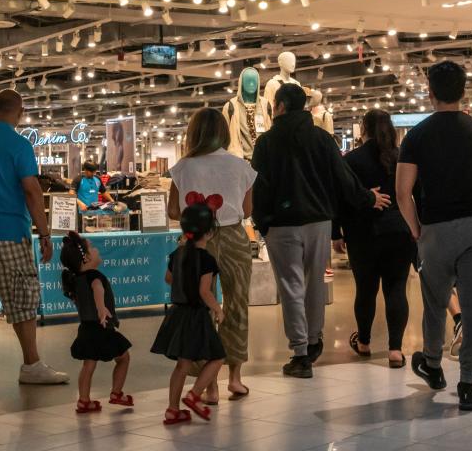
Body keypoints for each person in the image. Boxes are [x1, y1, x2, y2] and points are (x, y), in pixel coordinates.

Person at [252, 83, 390, 379]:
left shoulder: (266, 143)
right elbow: (342, 177)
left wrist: (261, 222)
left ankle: (300, 352)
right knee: (315, 282)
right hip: (318, 222)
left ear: (279, 107)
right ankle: (314, 340)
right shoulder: (322, 139)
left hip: (281, 225)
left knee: (290, 286)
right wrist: (368, 198)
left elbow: (258, 187)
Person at [396, 61, 472, 412]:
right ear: (463, 91)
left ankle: (432, 363)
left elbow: (402, 192)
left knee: (435, 301)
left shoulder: (416, 136)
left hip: (435, 229)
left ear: (430, 92)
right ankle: (469, 383)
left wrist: (416, 228)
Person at [0, 89, 68, 385]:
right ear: (20, 113)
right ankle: (31, 364)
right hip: (7, 233)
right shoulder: (18, 145)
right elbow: (32, 191)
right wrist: (44, 233)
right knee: (22, 298)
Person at [168, 108, 255, 402]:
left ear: (194, 132)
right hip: (233, 236)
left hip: (196, 240)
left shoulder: (183, 167)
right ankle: (235, 377)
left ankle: (209, 385)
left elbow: (172, 211)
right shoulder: (240, 166)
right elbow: (248, 210)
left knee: (199, 306)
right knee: (237, 304)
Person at [333, 109, 415, 369]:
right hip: (400, 232)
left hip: (363, 233)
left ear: (364, 129)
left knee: (366, 290)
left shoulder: (352, 160)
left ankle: (365, 342)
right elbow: (415, 193)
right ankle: (395, 350)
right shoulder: (401, 157)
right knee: (396, 289)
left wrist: (336, 233)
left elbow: (340, 198)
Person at [151, 202, 226, 425]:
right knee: (217, 357)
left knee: (182, 364)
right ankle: (195, 394)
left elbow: (168, 278)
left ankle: (172, 410)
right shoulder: (207, 260)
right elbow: (205, 291)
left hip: (177, 314)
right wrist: (218, 309)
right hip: (196, 316)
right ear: (210, 231)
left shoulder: (177, 254)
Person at [60, 231, 134, 413]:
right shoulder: (94, 276)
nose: (96, 249)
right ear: (85, 258)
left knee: (88, 364)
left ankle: (84, 400)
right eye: (92, 247)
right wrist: (101, 308)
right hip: (102, 327)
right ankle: (116, 393)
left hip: (86, 327)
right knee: (124, 358)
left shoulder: (75, 280)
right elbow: (97, 289)